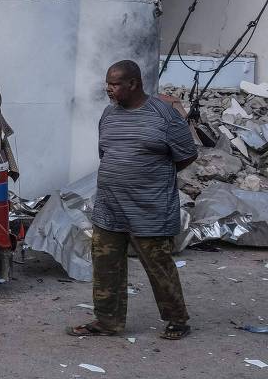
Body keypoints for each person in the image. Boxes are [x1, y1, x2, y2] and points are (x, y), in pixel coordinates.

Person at [68, 60, 197, 340]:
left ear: (133, 84)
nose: (109, 89)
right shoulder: (108, 115)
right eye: (108, 84)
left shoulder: (163, 115)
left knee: (158, 266)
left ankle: (177, 320)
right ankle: (107, 322)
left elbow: (187, 154)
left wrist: (152, 176)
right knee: (105, 267)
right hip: (110, 208)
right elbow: (107, 153)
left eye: (114, 84)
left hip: (150, 209)